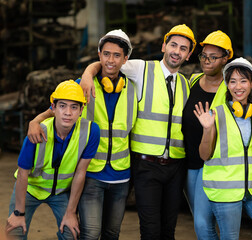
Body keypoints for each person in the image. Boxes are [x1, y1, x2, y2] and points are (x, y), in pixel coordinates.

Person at [80, 24, 195, 240]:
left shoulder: (185, 84)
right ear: (163, 46)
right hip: (146, 165)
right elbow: (110, 62)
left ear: (188, 55)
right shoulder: (142, 69)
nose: (176, 51)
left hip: (175, 167)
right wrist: (87, 74)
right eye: (173, 45)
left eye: (183, 48)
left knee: (169, 231)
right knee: (150, 231)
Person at [26, 29, 137, 239]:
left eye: (116, 55)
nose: (110, 60)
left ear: (125, 59)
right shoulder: (83, 85)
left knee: (112, 233)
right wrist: (36, 120)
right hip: (91, 173)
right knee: (90, 233)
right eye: (106, 54)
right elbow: (57, 109)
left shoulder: (133, 88)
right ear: (99, 55)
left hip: (121, 176)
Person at [6, 80, 100, 240]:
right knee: (14, 231)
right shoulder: (37, 131)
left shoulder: (91, 131)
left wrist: (70, 213)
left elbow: (80, 173)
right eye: (62, 106)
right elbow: (22, 174)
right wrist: (18, 213)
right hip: (31, 189)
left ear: (82, 110)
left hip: (60, 192)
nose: (68, 112)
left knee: (71, 233)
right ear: (53, 108)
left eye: (74, 107)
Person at [194, 58, 252, 240]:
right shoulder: (216, 114)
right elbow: (204, 154)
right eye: (233, 81)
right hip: (226, 191)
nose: (238, 86)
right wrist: (207, 129)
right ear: (227, 85)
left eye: (243, 81)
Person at [181, 30, 232, 239]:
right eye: (203, 56)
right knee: (200, 220)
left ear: (226, 58)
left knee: (203, 224)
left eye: (213, 57)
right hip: (189, 164)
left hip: (212, 163)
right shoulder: (192, 81)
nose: (206, 61)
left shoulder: (230, 88)